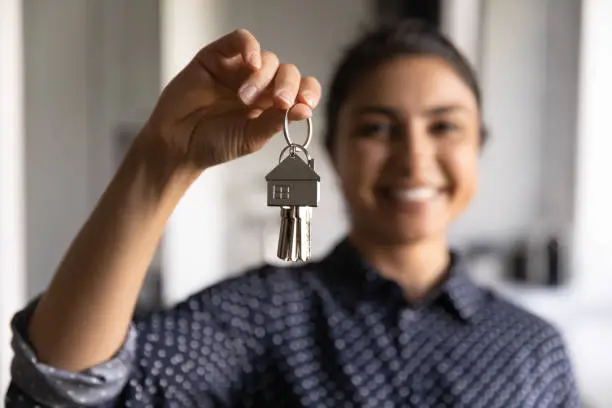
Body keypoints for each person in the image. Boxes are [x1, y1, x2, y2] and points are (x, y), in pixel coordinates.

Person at [6, 20, 579, 408]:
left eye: (445, 126)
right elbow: (66, 387)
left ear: (480, 142)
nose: (415, 157)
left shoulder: (534, 349)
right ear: (330, 148)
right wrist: (161, 160)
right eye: (377, 127)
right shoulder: (260, 316)